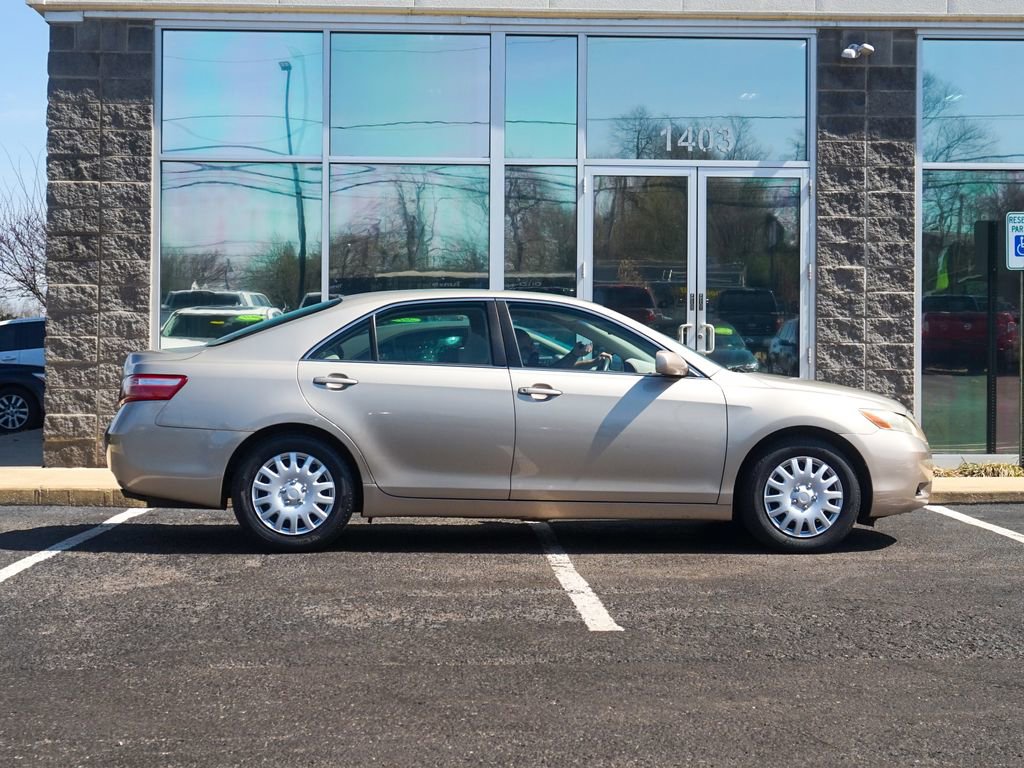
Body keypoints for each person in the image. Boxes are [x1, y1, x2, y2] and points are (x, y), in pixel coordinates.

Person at [514, 328, 612, 370]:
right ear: (515, 351)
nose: (534, 350)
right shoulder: (520, 369)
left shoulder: (529, 366)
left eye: (532, 344)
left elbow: (566, 368)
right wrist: (574, 355)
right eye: (526, 348)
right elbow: (553, 372)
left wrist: (593, 362)